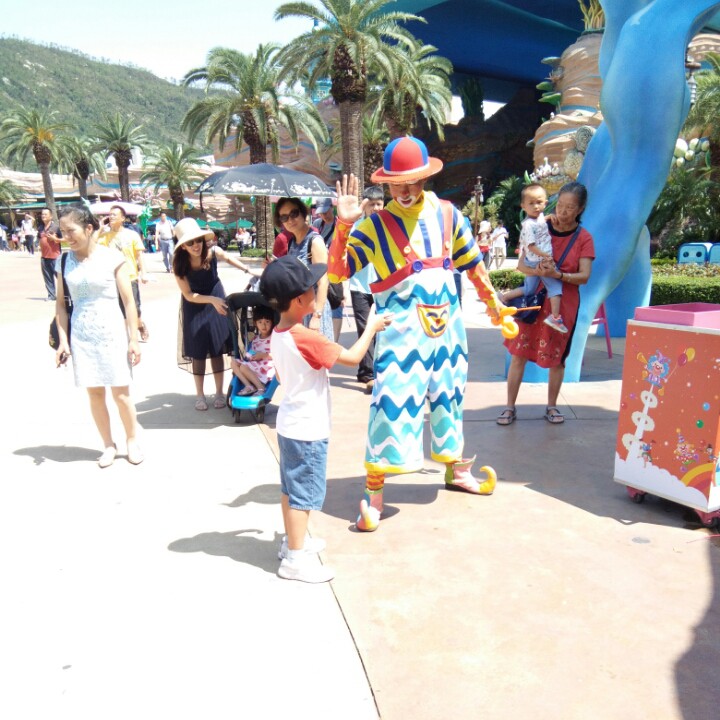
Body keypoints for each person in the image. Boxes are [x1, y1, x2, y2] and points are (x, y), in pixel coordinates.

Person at [328, 136, 507, 532]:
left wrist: (494, 305)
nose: (406, 191)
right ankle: (375, 492)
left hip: (449, 331)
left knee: (450, 398)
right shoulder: (374, 226)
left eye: (413, 181)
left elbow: (473, 264)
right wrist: (343, 224)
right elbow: (338, 273)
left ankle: (456, 470)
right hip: (402, 335)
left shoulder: (448, 215)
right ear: (387, 183)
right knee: (391, 402)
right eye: (397, 184)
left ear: (426, 177)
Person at [259, 255, 392, 582]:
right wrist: (372, 326)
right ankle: (295, 559)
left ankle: (293, 542)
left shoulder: (279, 331)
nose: (316, 291)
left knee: (290, 490)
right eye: (310, 288)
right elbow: (354, 357)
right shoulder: (306, 338)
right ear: (298, 300)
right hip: (308, 429)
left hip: (290, 423)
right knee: (303, 496)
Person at [53, 205, 143, 468]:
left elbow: (128, 302)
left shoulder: (111, 258)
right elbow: (61, 305)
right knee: (94, 394)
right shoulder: (63, 261)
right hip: (82, 335)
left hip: (111, 332)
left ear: (89, 228)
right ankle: (108, 444)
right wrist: (63, 341)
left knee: (121, 394)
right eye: (63, 232)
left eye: (71, 231)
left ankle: (132, 441)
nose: (66, 237)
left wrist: (133, 338)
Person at [498, 181, 595, 427]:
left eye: (570, 208)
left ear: (580, 209)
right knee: (518, 353)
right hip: (534, 302)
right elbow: (522, 265)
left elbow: (584, 276)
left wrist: (558, 275)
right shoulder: (540, 226)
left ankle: (552, 406)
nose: (562, 212)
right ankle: (509, 407)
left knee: (558, 359)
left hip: (562, 307)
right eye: (560, 205)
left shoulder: (584, 238)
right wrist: (538, 270)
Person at [173, 217, 261, 411]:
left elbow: (228, 258)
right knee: (198, 350)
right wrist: (211, 300)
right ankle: (200, 395)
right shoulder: (179, 264)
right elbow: (188, 294)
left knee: (217, 346)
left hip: (217, 298)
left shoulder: (212, 252)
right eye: (190, 243)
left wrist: (249, 270)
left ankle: (219, 392)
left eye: (198, 240)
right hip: (195, 304)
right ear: (183, 246)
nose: (196, 245)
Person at [502, 184, 567, 333]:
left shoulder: (539, 218)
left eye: (539, 202)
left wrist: (549, 217)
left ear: (545, 203)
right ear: (523, 206)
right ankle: (555, 317)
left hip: (534, 260)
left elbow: (541, 223)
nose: (535, 206)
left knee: (529, 289)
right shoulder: (528, 225)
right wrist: (545, 255)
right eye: (531, 203)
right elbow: (531, 246)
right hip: (539, 261)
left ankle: (504, 297)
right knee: (555, 287)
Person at [274, 197, 334, 341]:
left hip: (315, 309)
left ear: (302, 213)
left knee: (317, 353)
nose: (290, 220)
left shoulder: (314, 241)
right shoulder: (292, 242)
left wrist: (317, 316)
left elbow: (323, 282)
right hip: (299, 310)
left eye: (294, 214)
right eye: (284, 217)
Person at [348, 185, 384, 393]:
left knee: (382, 330)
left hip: (382, 287)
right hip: (360, 287)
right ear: (364, 206)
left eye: (379, 204)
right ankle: (368, 374)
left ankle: (381, 370)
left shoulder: (389, 227)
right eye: (372, 205)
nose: (376, 208)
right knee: (365, 330)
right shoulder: (357, 227)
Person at [98, 205, 150, 342]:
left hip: (130, 276)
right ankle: (128, 338)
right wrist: (99, 229)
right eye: (110, 214)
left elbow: (139, 255)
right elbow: (91, 247)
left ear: (123, 218)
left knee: (135, 307)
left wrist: (144, 273)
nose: (111, 217)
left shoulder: (131, 235)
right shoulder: (104, 237)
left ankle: (140, 325)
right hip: (112, 278)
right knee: (119, 308)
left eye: (114, 214)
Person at [313, 197, 344, 341]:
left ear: (332, 208)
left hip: (335, 269)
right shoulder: (317, 224)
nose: (324, 215)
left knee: (336, 303)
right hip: (320, 269)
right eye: (321, 212)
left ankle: (334, 341)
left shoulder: (340, 225)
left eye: (326, 211)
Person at [231, 305, 276, 396]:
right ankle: (248, 385)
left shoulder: (274, 337)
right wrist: (250, 356)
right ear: (255, 323)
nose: (264, 325)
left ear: (272, 322)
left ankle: (261, 388)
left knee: (243, 367)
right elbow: (252, 352)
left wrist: (263, 355)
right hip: (254, 364)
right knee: (234, 363)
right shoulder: (255, 339)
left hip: (266, 365)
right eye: (260, 322)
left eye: (267, 322)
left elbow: (278, 355)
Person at [38, 208, 62, 300]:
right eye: (42, 214)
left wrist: (55, 239)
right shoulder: (40, 228)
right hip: (44, 257)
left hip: (55, 257)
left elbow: (65, 239)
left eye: (45, 214)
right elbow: (40, 238)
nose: (43, 216)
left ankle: (67, 295)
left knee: (60, 277)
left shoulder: (56, 227)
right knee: (47, 278)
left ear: (51, 216)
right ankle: (51, 295)